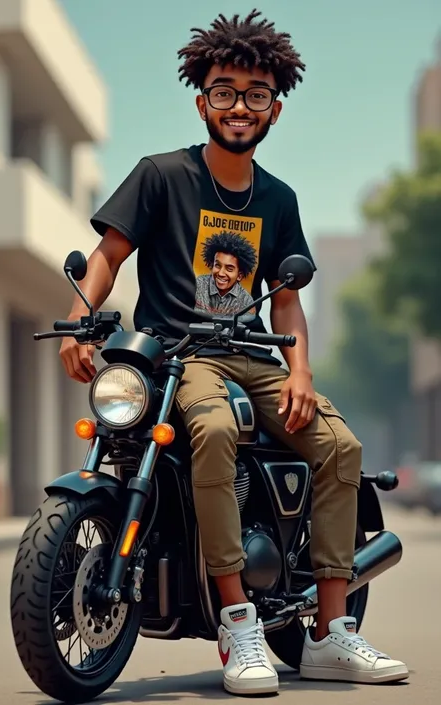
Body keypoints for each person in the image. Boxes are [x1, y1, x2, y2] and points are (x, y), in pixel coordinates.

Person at [59, 9, 409, 696]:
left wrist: (301, 369)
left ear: (274, 109)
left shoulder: (278, 199)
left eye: (254, 94)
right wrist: (79, 317)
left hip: (256, 355)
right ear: (202, 100)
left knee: (341, 448)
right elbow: (107, 255)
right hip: (181, 356)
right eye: (225, 91)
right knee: (214, 429)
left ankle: (333, 635)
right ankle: (237, 621)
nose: (239, 106)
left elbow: (285, 297)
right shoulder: (159, 176)